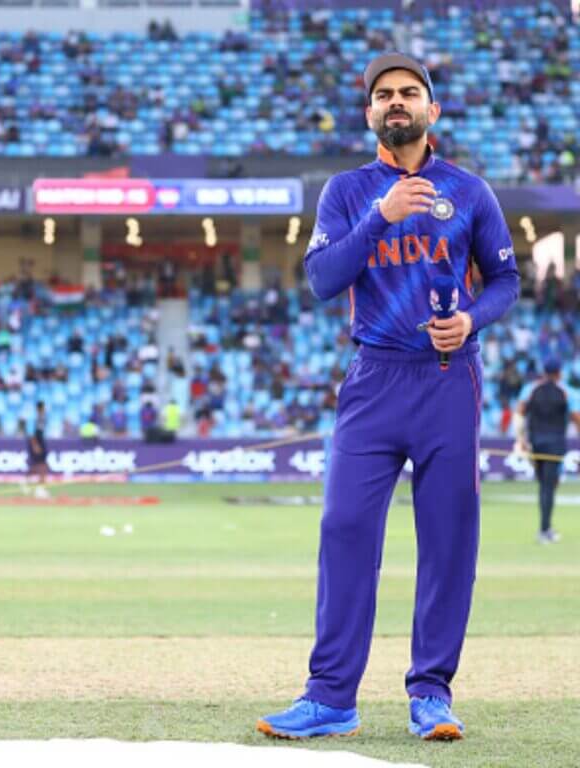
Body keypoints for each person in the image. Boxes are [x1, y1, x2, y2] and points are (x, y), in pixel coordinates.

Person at [257, 53, 519, 742]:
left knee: (448, 541)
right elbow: (320, 278)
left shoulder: (470, 191)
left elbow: (505, 283)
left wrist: (470, 320)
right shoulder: (348, 192)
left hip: (447, 377)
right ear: (369, 112)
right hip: (373, 379)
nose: (395, 102)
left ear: (432, 110)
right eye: (383, 95)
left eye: (408, 93)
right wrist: (379, 216)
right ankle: (330, 697)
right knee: (344, 529)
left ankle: (430, 694)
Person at [515, 357, 580, 543]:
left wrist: (521, 439)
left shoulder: (530, 389)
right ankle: (544, 530)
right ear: (559, 372)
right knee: (549, 486)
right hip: (555, 445)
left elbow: (519, 413)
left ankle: (545, 527)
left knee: (544, 484)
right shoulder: (567, 391)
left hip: (536, 444)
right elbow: (576, 418)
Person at [20, 401, 50, 499]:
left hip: (40, 441)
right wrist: (35, 445)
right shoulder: (34, 418)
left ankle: (26, 481)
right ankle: (40, 489)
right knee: (42, 466)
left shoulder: (42, 418)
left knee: (38, 465)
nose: (45, 409)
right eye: (44, 408)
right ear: (40, 408)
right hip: (35, 442)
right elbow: (31, 433)